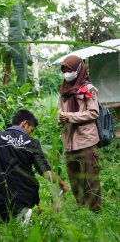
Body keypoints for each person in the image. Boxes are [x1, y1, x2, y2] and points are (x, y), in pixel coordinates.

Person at [0, 109, 70, 222]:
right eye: (30, 130)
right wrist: (62, 184)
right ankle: (25, 214)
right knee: (5, 218)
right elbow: (46, 172)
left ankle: (21, 215)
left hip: (3, 199)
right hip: (27, 198)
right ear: (24, 123)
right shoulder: (33, 143)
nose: (29, 133)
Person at [58, 55, 101, 212]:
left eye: (69, 70)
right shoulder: (63, 90)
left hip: (86, 139)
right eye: (63, 71)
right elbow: (60, 111)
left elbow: (93, 113)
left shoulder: (88, 89)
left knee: (90, 177)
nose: (66, 74)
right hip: (69, 142)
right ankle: (81, 209)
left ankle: (95, 211)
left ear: (78, 69)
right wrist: (61, 119)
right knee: (74, 178)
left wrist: (70, 116)